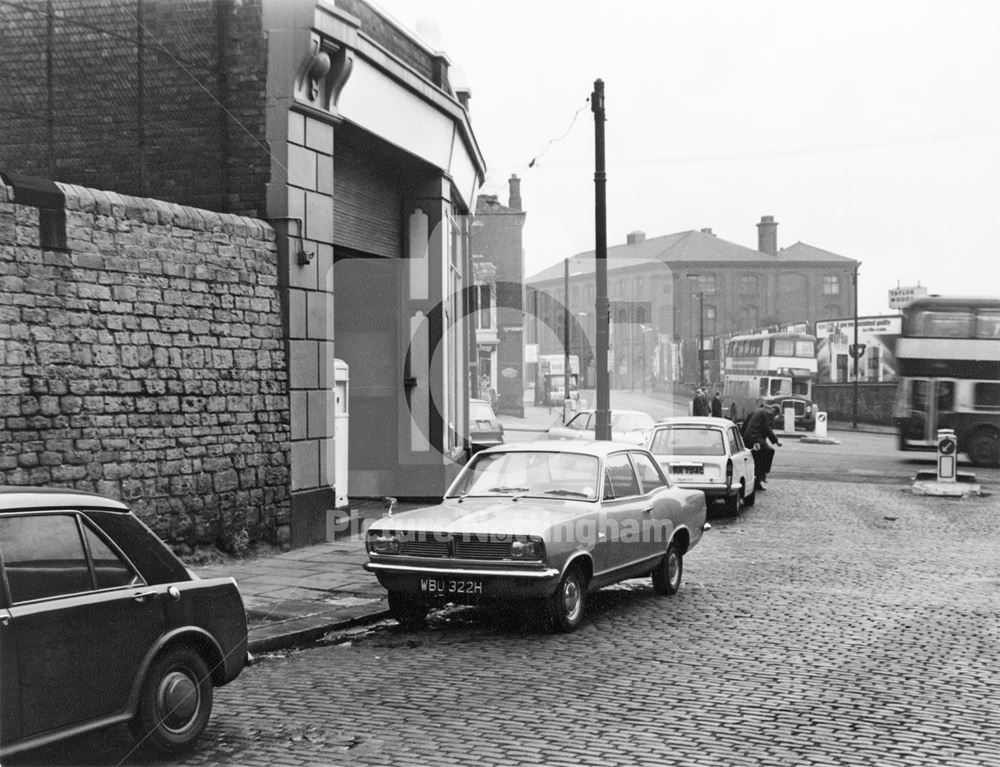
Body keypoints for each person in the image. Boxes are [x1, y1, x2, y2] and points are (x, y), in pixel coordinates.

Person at [741, 401, 782, 490]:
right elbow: (767, 429)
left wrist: (741, 438)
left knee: (757, 459)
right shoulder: (766, 413)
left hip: (747, 439)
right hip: (755, 439)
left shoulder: (756, 411)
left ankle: (757, 480)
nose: (773, 418)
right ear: (774, 411)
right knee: (770, 451)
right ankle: (763, 473)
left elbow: (744, 425)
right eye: (774, 416)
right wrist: (776, 441)